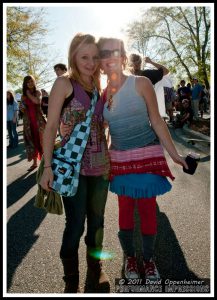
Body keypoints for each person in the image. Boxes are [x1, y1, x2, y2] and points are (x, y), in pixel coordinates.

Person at [97, 37, 188, 280]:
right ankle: (130, 259)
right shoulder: (103, 94)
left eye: (114, 52)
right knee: (125, 211)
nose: (110, 58)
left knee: (147, 210)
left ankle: (148, 260)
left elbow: (157, 121)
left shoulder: (141, 83)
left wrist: (175, 154)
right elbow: (102, 128)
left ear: (123, 57)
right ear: (101, 63)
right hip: (120, 158)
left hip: (147, 154)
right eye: (104, 54)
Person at [39, 33, 110, 293]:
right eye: (84, 57)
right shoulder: (64, 84)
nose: (90, 63)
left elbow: (103, 126)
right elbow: (50, 128)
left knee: (98, 222)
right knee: (76, 224)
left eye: (94, 57)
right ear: (73, 57)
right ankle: (71, 282)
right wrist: (47, 167)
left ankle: (96, 270)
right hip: (73, 170)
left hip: (101, 168)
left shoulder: (100, 87)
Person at [21, 75, 46, 171]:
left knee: (42, 142)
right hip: (29, 123)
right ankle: (35, 163)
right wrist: (22, 107)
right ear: (25, 84)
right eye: (28, 82)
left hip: (39, 122)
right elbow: (22, 109)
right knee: (32, 142)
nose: (30, 83)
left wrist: (28, 94)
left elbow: (37, 101)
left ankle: (46, 163)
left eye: (32, 81)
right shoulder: (23, 96)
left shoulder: (37, 92)